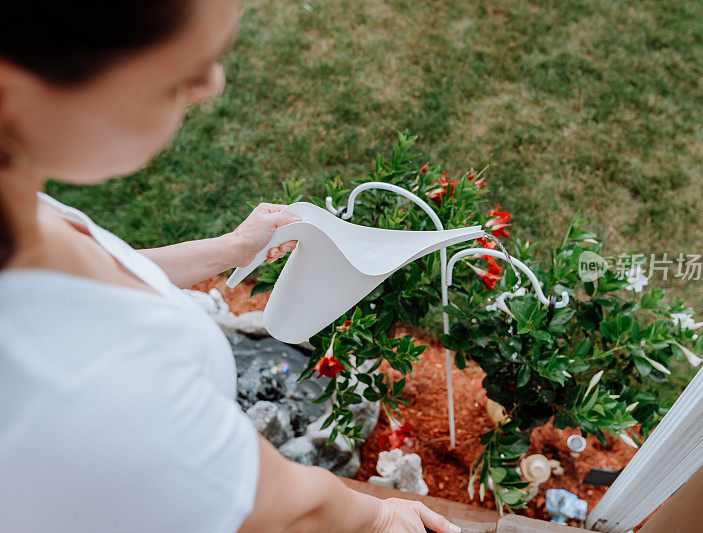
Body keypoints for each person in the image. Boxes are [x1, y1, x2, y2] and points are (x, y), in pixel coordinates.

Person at [0, 1, 461, 532]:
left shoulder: (17, 213)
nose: (211, 84)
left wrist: (233, 247)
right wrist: (380, 515)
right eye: (181, 75)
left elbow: (99, 274)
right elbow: (284, 511)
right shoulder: (97, 387)